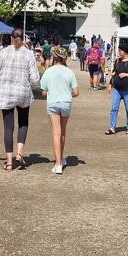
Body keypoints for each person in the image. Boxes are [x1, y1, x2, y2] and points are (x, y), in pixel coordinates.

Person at [0, 28, 40, 171]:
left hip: (5, 93)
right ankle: (20, 153)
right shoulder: (29, 54)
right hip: (22, 93)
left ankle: (9, 162)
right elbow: (35, 79)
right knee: (23, 122)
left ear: (10, 38)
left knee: (8, 126)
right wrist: (33, 86)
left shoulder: (3, 53)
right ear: (23, 39)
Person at [40, 46, 79, 175]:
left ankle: (57, 164)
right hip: (66, 102)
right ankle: (61, 159)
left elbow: (44, 92)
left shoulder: (48, 71)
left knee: (56, 132)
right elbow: (76, 92)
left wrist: (52, 91)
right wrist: (66, 93)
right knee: (62, 132)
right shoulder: (69, 72)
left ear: (54, 57)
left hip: (53, 102)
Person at [105, 43, 128, 135]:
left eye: (120, 50)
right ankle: (112, 127)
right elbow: (114, 73)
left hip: (127, 89)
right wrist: (110, 84)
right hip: (116, 88)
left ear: (125, 52)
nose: (119, 52)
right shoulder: (117, 61)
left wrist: (126, 74)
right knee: (114, 108)